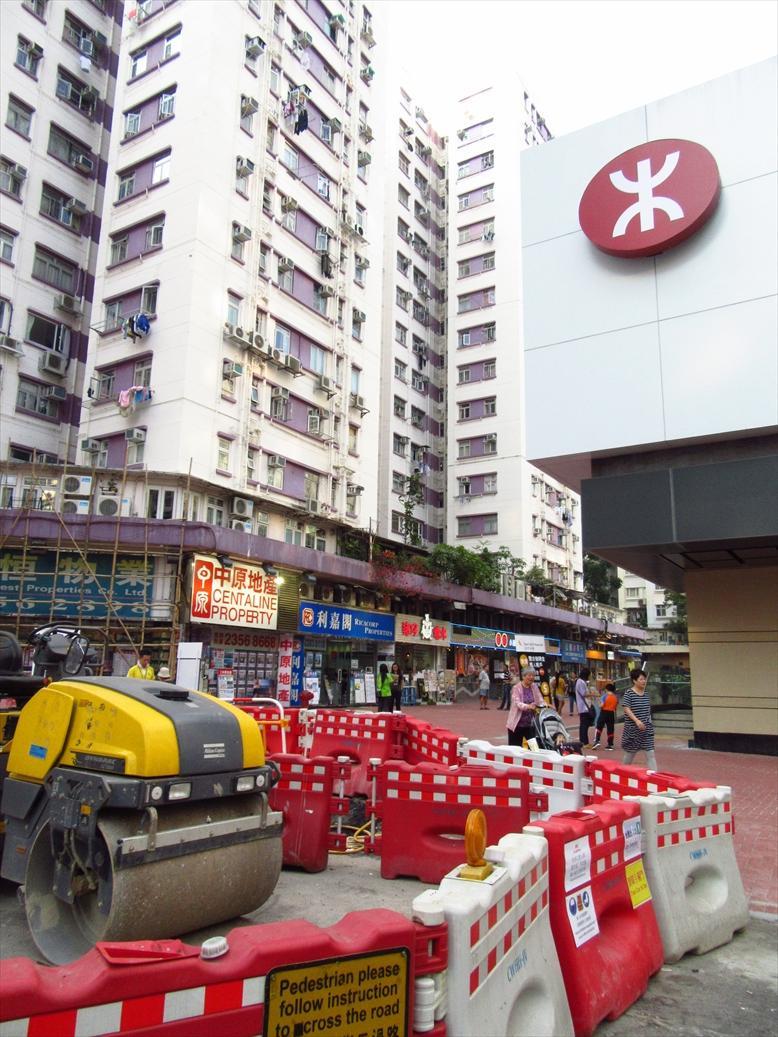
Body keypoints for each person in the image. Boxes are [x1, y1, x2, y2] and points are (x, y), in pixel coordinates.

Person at [622, 669, 656, 769]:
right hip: (633, 730)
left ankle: (654, 776)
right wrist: (636, 721)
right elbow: (626, 709)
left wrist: (649, 723)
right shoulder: (629, 693)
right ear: (634, 680)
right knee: (629, 755)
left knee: (650, 754)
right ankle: (622, 771)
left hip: (646, 730)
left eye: (644, 679)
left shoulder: (646, 694)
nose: (644, 681)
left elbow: (647, 710)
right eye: (641, 679)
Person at [506, 667, 544, 746]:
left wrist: (545, 705)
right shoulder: (516, 688)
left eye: (533, 675)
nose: (531, 677)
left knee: (534, 748)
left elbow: (540, 699)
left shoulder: (534, 686)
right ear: (523, 676)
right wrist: (529, 706)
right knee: (516, 749)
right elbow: (518, 703)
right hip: (516, 725)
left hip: (530, 724)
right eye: (529, 675)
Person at [592, 682, 618, 750]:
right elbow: (615, 707)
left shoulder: (604, 696)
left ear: (606, 689)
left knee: (599, 726)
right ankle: (610, 744)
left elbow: (601, 705)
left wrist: (599, 703)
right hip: (611, 713)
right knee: (610, 728)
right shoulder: (615, 697)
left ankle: (597, 740)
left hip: (604, 712)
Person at [574, 668, 594, 747]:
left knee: (583, 725)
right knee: (584, 725)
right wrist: (593, 694)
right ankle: (585, 742)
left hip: (582, 706)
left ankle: (583, 741)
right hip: (584, 707)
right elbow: (584, 693)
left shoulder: (580, 681)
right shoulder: (581, 682)